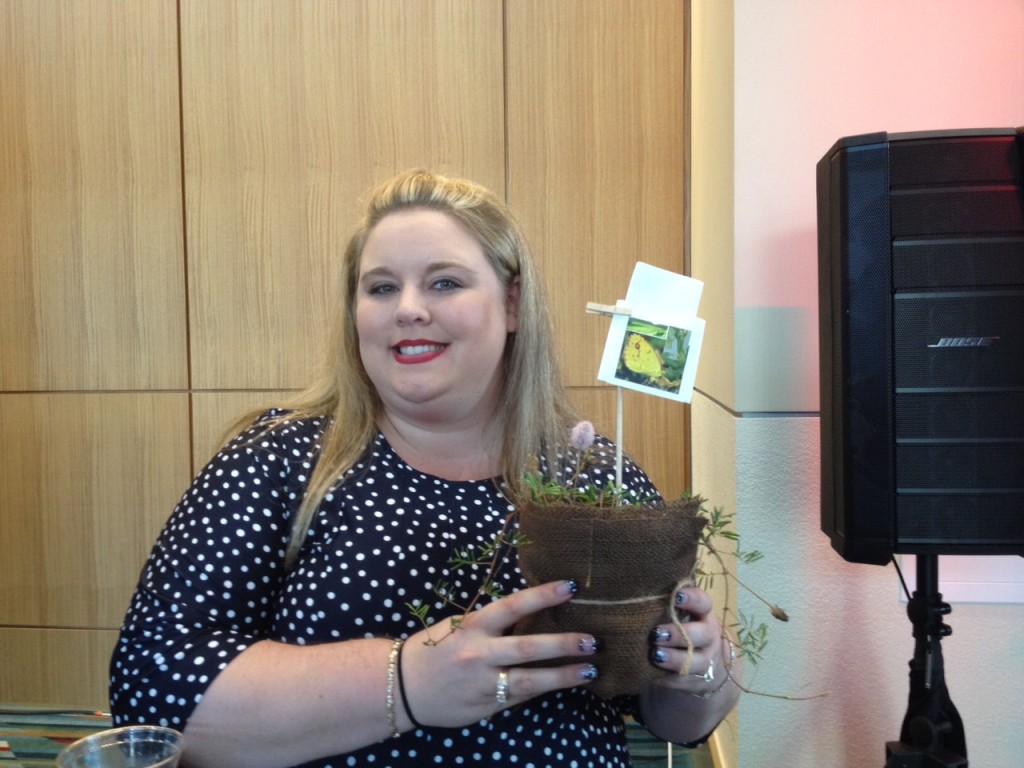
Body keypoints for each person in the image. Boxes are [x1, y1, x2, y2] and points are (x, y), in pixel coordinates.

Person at [109, 170, 741, 768]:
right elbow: (150, 687)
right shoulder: (276, 460)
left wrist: (701, 673)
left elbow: (672, 721)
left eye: (444, 282)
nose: (407, 308)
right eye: (381, 287)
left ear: (512, 302)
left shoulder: (595, 480)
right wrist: (408, 683)